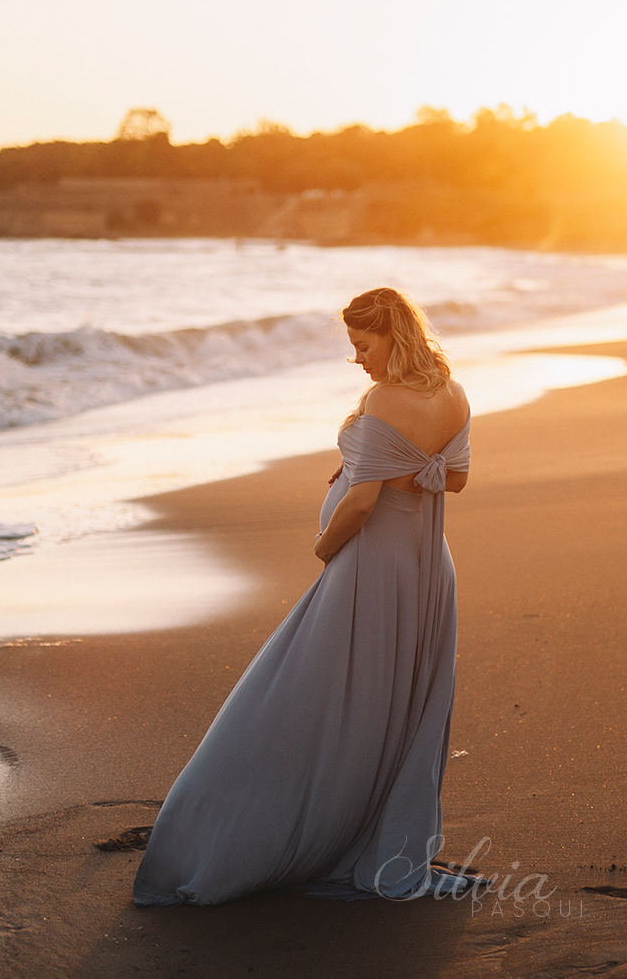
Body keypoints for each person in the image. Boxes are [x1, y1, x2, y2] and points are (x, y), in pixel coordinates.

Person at [132, 287, 475, 905]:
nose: (358, 360)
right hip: (428, 571)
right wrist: (369, 463)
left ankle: (253, 834)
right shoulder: (453, 392)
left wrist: (325, 544)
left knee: (307, 696)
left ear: (393, 337)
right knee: (396, 708)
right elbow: (453, 478)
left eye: (363, 346)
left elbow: (367, 502)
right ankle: (371, 831)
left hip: (373, 565)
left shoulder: (384, 398)